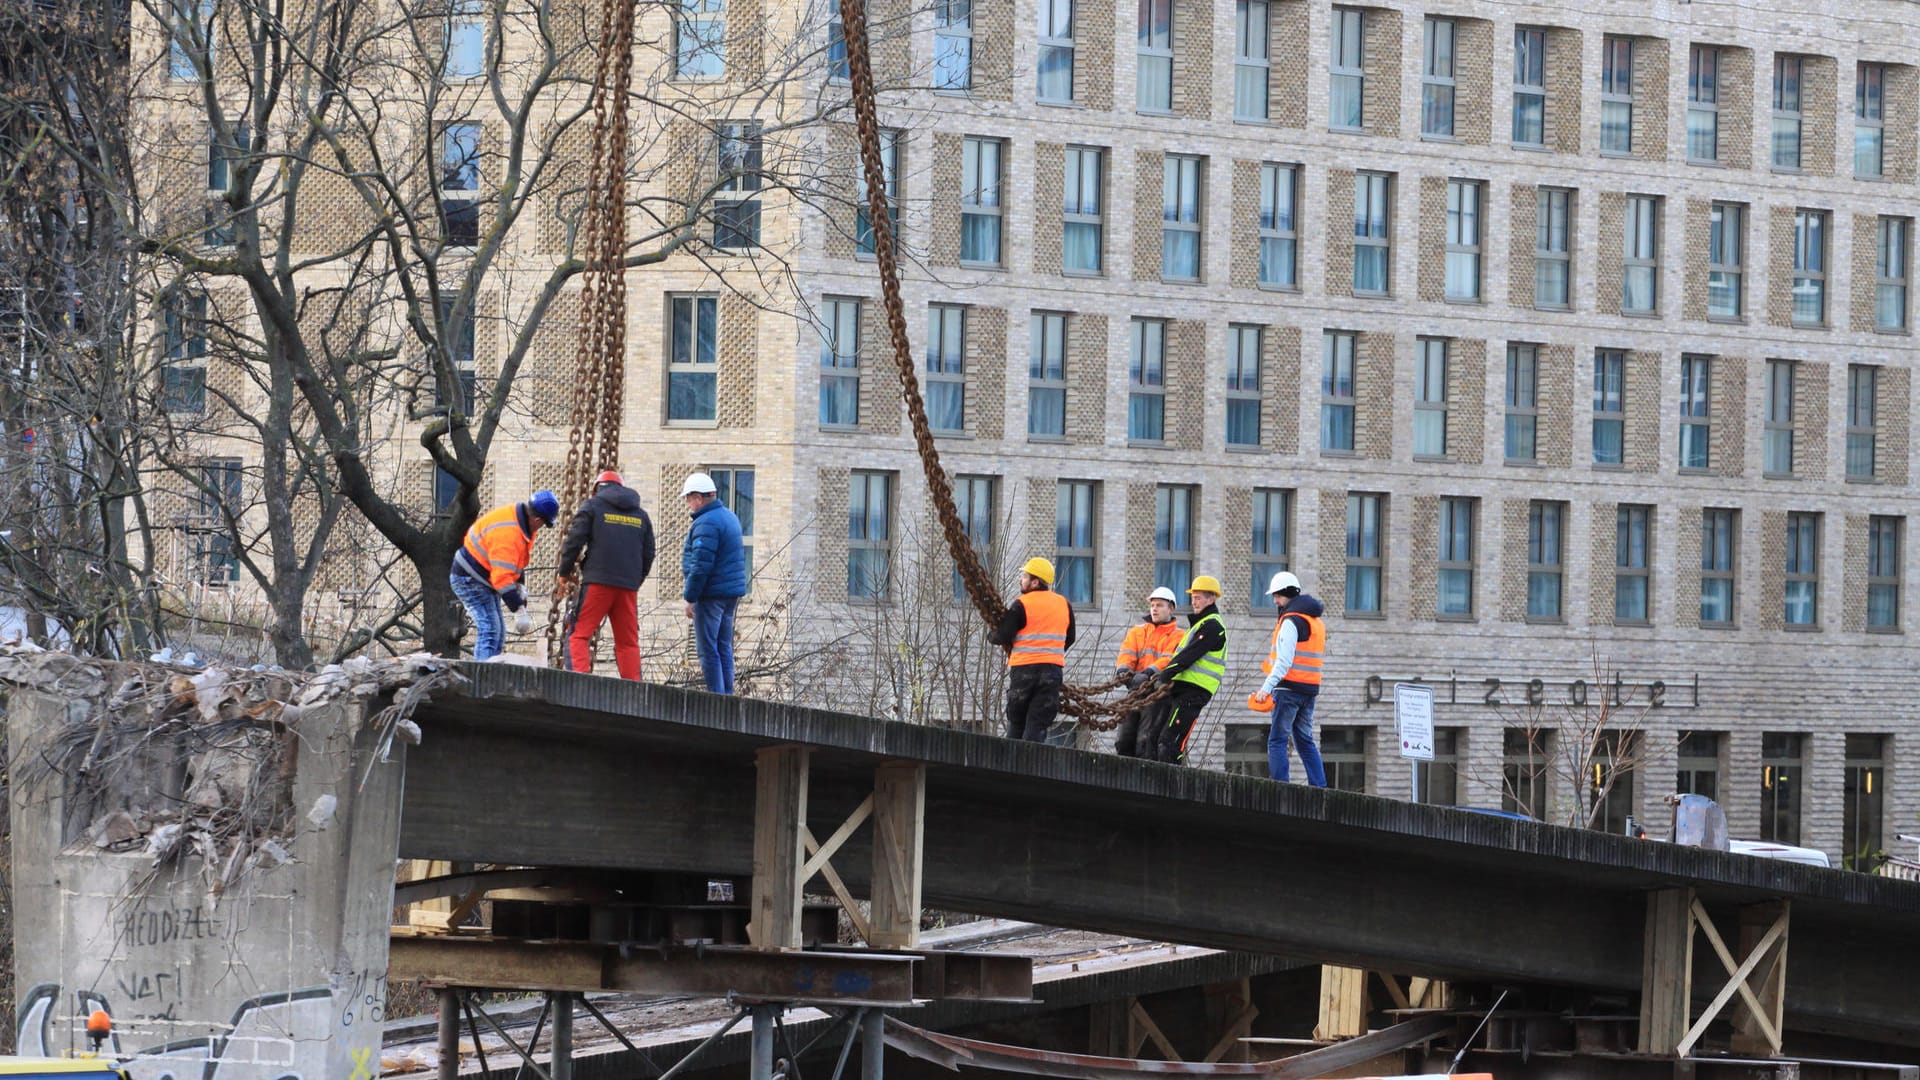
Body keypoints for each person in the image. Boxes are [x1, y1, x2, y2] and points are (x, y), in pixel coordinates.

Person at [557, 470, 656, 680]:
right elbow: (648, 554)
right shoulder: (641, 515)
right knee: (628, 642)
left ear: (596, 490)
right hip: (628, 588)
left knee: (579, 634)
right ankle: (634, 691)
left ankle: (580, 684)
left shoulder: (592, 507)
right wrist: (634, 581)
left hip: (598, 583)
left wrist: (564, 573)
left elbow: (574, 541)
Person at [450, 490, 560, 661]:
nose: (542, 527)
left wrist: (520, 586)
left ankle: (491, 673)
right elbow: (501, 580)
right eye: (544, 524)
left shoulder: (521, 521)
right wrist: (519, 609)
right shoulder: (509, 534)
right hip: (469, 578)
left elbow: (517, 560)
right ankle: (482, 680)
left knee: (498, 631)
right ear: (537, 520)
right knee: (490, 629)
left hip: (481, 577)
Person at [1249, 571, 1329, 786]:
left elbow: (1283, 662)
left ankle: (1280, 787)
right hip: (1309, 690)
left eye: (1277, 596)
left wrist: (1265, 689)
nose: (1275, 601)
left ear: (1287, 594)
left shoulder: (1290, 622)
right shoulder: (1316, 623)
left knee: (1277, 740)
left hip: (1287, 690)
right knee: (1305, 740)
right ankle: (1319, 786)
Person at [990, 557, 1077, 742]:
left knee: (1017, 720)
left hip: (1024, 671)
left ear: (1035, 582)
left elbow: (1004, 635)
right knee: (1038, 722)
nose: (1021, 579)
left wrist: (991, 636)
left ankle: (1011, 763)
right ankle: (1031, 763)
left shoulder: (1022, 604)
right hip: (1052, 672)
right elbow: (1070, 638)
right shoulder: (1064, 604)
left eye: (1024, 576)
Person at [681, 472, 748, 694]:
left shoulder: (706, 523)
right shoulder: (729, 516)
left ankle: (717, 698)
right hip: (730, 595)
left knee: (707, 649)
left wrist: (690, 597)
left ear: (698, 498)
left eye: (689, 499)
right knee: (723, 646)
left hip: (711, 595)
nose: (688, 504)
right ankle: (727, 695)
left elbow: (701, 565)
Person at [1151, 576, 1228, 765]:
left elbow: (1190, 655)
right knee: (1157, 738)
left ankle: (1172, 785)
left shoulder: (1212, 625)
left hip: (1194, 691)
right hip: (1182, 689)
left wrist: (1165, 674)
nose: (1194, 602)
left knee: (1170, 741)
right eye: (1193, 597)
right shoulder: (1200, 624)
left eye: (1198, 597)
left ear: (1211, 599)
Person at [1112, 586, 1184, 758]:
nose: (1154, 609)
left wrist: (1149, 672)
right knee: (1124, 739)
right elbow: (1127, 652)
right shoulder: (1138, 632)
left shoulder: (1178, 636)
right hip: (1135, 691)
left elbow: (1168, 659)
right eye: (1153, 605)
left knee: (1144, 742)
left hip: (1157, 695)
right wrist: (1123, 669)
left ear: (1171, 608)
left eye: (1159, 605)